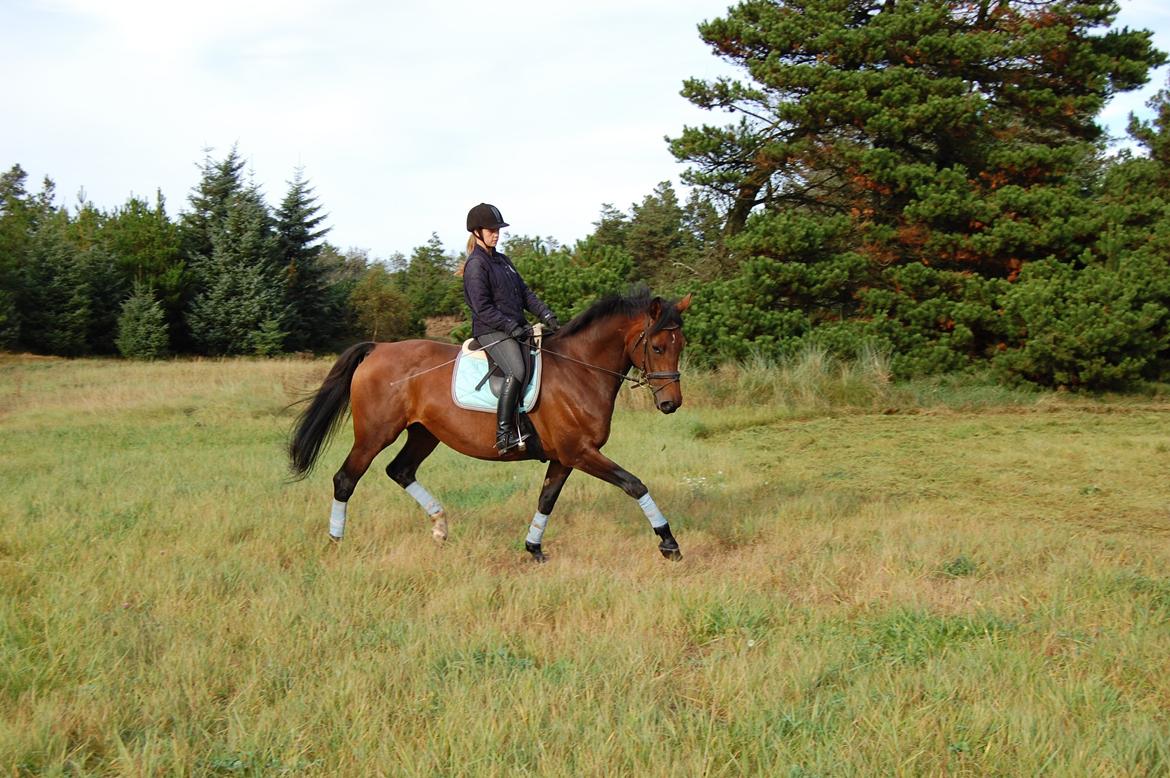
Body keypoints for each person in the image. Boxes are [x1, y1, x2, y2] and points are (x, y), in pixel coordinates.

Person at [462, 203, 561, 455]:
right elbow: (482, 308)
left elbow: (525, 293)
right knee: (516, 369)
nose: (496, 234)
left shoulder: (503, 261)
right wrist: (510, 326)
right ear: (477, 232)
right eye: (491, 230)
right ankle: (504, 433)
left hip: (514, 327)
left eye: (498, 230)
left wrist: (545, 313)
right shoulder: (476, 265)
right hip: (490, 329)